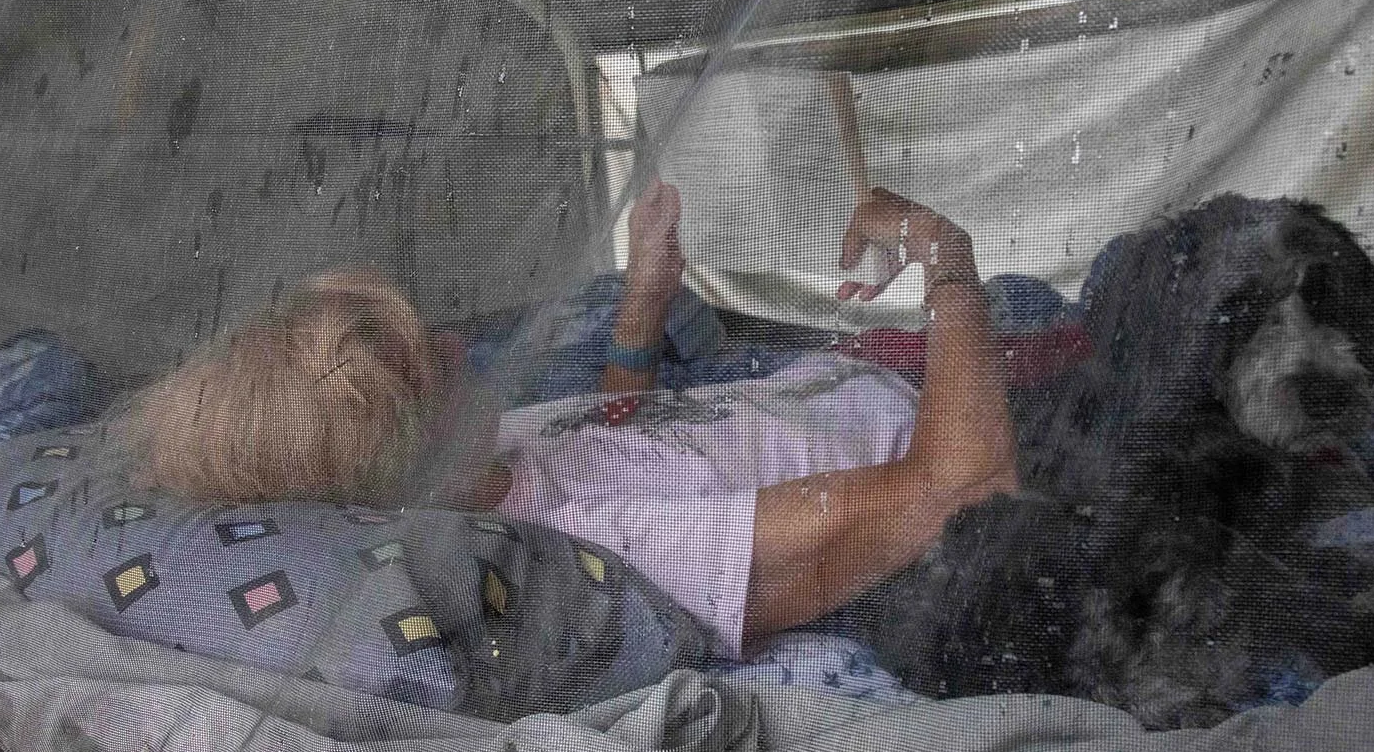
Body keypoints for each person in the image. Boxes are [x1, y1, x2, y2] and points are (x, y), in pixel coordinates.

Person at [120, 182, 1017, 656]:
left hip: (851, 382)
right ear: (406, 468)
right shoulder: (614, 558)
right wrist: (944, 253)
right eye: (434, 368)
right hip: (980, 428)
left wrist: (644, 301)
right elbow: (964, 487)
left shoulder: (480, 467)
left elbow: (608, 443)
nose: (461, 348)